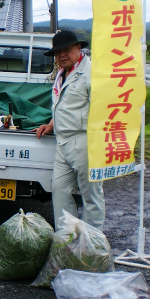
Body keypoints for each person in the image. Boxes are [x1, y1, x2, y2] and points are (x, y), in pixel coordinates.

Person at [34, 30, 105, 231]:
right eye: (58, 53)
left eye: (66, 50)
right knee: (59, 189)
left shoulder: (90, 72)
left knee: (91, 194)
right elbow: (63, 105)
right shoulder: (61, 74)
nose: (61, 55)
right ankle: (68, 239)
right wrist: (51, 124)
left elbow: (101, 109)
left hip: (84, 140)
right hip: (62, 141)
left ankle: (93, 243)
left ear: (78, 48)